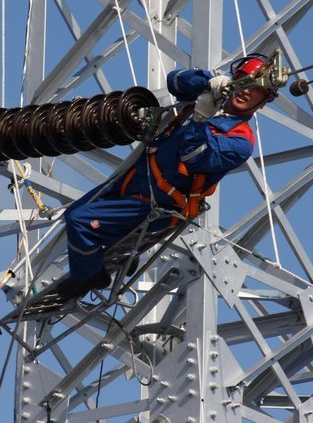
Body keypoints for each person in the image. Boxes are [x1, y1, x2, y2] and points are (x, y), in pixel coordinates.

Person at [57, 55, 278, 300]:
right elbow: (176, 81)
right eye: (244, 81)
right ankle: (121, 252)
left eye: (256, 90)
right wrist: (209, 81)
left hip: (157, 203)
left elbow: (194, 156)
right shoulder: (209, 95)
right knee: (74, 212)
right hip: (136, 179)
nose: (246, 91)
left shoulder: (239, 141)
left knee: (80, 222)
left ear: (263, 102)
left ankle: (87, 277)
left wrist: (200, 120)